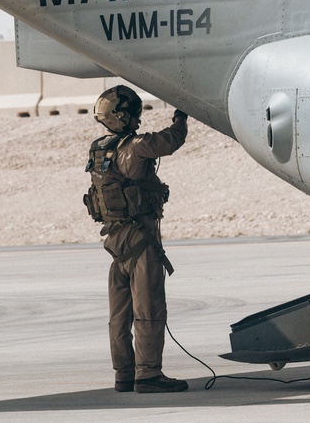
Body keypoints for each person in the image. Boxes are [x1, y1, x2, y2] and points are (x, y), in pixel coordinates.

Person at [84, 85, 189, 393]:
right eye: (134, 116)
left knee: (119, 314)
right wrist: (181, 116)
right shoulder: (135, 147)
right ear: (121, 116)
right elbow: (171, 141)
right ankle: (148, 374)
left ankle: (124, 373)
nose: (138, 121)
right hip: (141, 239)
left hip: (115, 240)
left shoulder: (98, 148)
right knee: (149, 308)